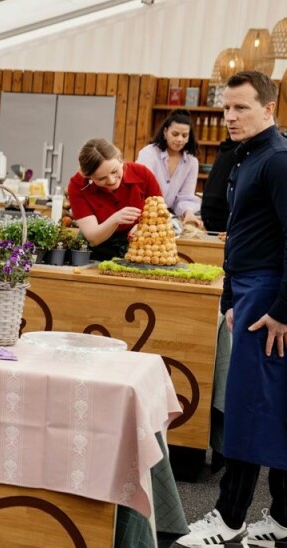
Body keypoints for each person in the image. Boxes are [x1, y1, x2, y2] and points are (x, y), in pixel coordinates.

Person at [175, 71, 287, 547]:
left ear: (269, 109)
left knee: (250, 412)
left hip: (268, 296)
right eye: (226, 108)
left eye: (241, 107)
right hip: (248, 292)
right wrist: (228, 300)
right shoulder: (247, 157)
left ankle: (228, 519)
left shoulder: (278, 161)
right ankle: (282, 521)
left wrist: (282, 310)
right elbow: (236, 233)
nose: (229, 116)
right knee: (266, 410)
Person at [66, 138, 163, 261]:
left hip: (139, 247)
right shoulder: (77, 186)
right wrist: (115, 219)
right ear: (88, 176)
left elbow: (161, 214)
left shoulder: (142, 174)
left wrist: (142, 226)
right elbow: (93, 237)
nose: (111, 181)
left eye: (114, 171)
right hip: (96, 251)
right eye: (101, 178)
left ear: (120, 160)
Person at [135, 109, 204, 229]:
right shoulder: (148, 154)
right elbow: (141, 191)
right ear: (165, 132)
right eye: (175, 134)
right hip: (143, 214)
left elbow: (185, 197)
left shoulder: (192, 162)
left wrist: (188, 212)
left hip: (168, 217)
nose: (180, 140)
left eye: (184, 135)